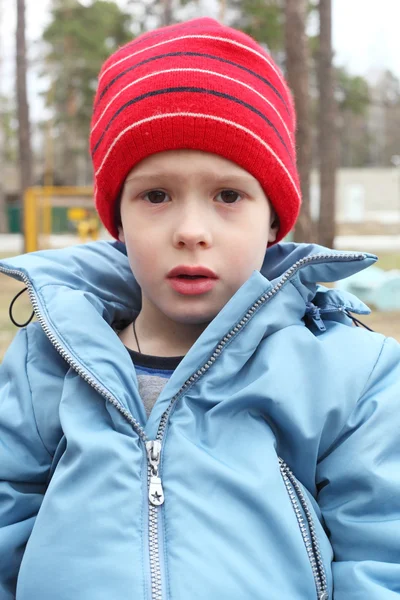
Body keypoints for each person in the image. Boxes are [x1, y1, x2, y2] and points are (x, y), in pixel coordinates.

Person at [0, 17, 399, 600]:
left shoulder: (347, 374)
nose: (191, 230)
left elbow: (382, 556)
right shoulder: (48, 361)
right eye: (156, 196)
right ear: (118, 218)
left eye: (228, 196)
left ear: (272, 218)